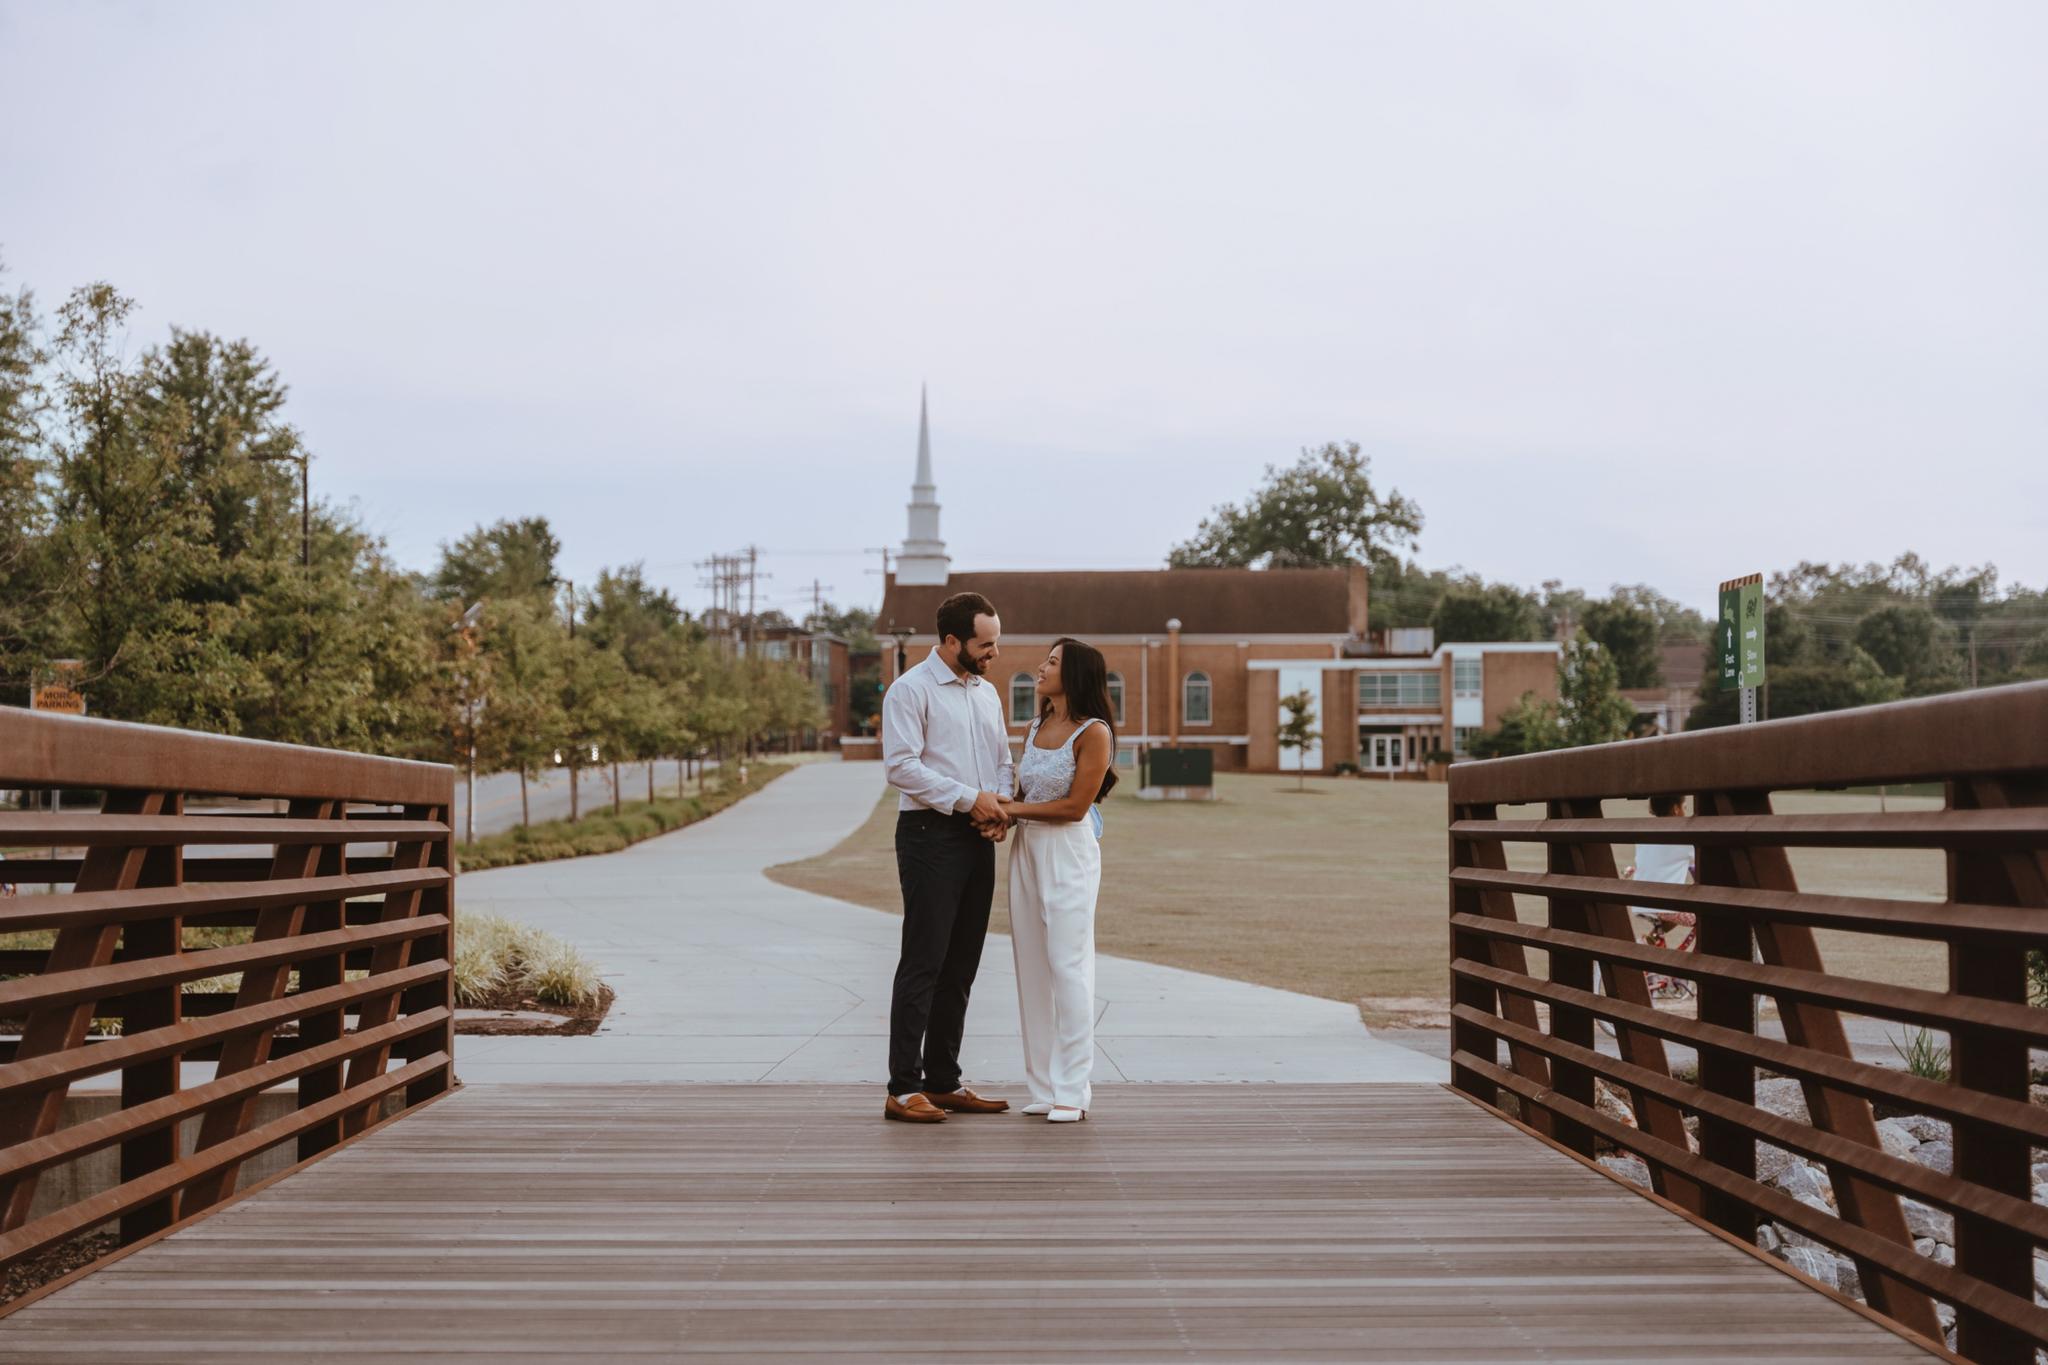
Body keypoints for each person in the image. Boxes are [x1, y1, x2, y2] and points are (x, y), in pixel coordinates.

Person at [878, 591, 1015, 1124]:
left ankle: (943, 1080)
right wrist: (969, 799)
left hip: (976, 835)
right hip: (929, 834)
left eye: (996, 643)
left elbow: (1002, 760)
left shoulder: (986, 693)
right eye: (985, 644)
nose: (994, 654)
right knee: (924, 961)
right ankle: (902, 1087)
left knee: (961, 965)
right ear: (952, 640)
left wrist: (996, 807)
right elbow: (901, 767)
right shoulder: (909, 691)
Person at [998, 637, 1115, 1123]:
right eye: (1045, 660)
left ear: (1077, 675)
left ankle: (1073, 1089)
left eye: (1052, 662)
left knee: (1068, 966)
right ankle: (1043, 1086)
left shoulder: (1095, 732)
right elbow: (1024, 790)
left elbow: (1072, 808)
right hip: (1027, 848)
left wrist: (1010, 809)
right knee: (1031, 965)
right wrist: (1001, 817)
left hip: (1068, 851)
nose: (1041, 668)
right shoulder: (1035, 725)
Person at [1626, 795, 1697, 1000]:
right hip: (1665, 905)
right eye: (1684, 807)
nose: (1686, 812)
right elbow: (1700, 857)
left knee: (1669, 915)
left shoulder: (1645, 832)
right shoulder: (1682, 837)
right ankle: (1691, 969)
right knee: (1708, 916)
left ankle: (1649, 945)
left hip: (1641, 901)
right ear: (1676, 809)